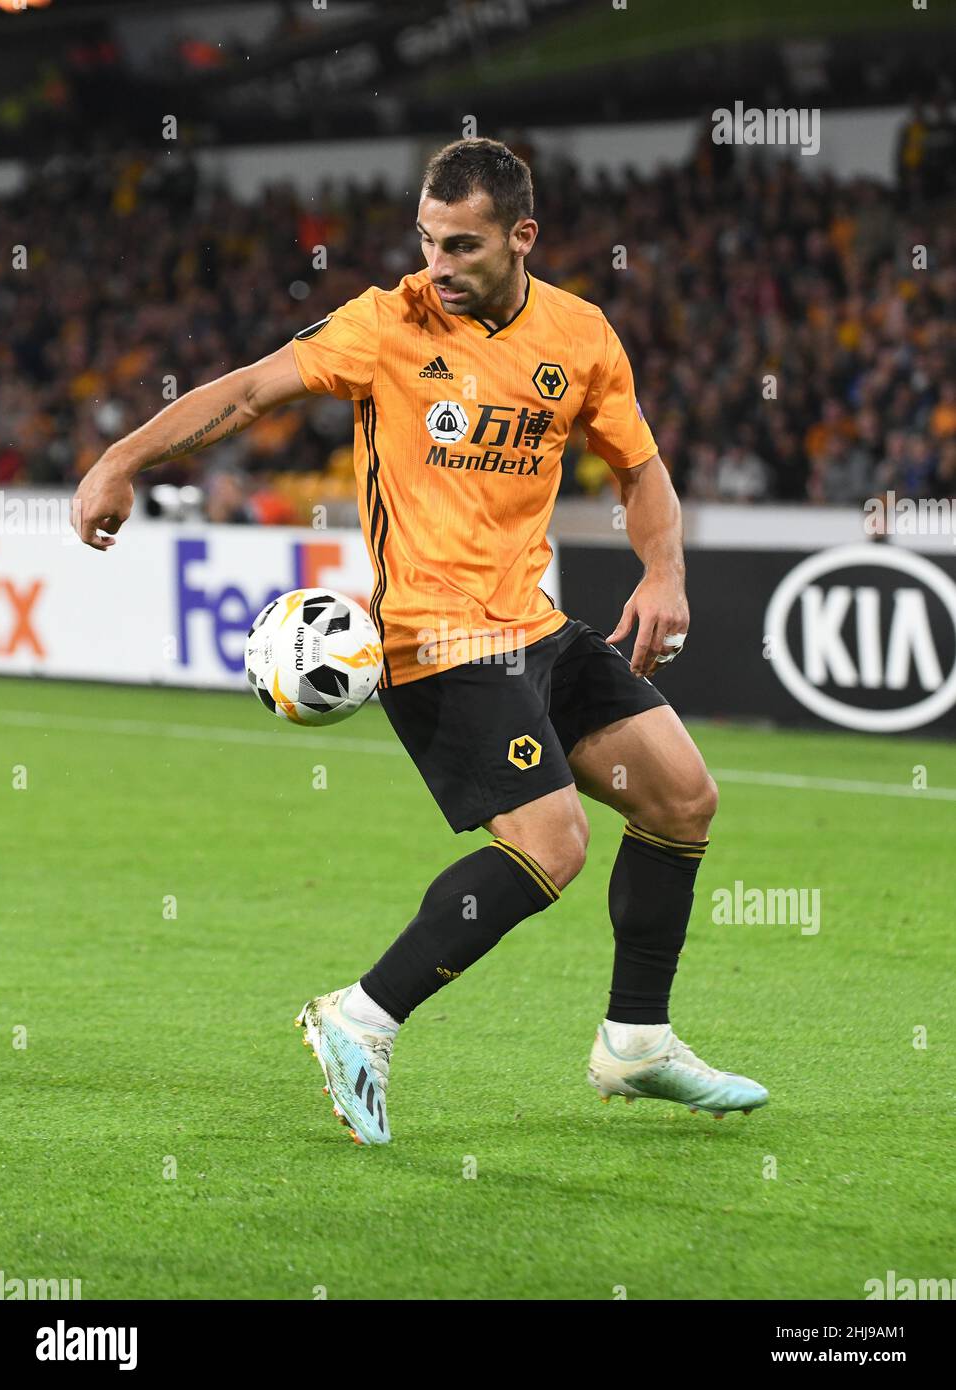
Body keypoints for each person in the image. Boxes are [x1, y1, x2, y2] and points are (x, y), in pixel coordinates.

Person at [72, 138, 768, 1145]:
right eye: (428, 240)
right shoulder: (384, 324)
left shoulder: (579, 335)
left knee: (681, 798)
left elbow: (640, 468)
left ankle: (636, 1038)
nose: (436, 264)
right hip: (430, 634)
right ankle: (361, 1017)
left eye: (462, 244)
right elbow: (248, 390)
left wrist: (664, 571)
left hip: (533, 625)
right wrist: (121, 457)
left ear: (523, 236)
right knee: (553, 840)